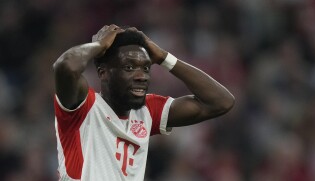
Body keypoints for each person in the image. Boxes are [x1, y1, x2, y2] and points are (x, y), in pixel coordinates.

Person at [53, 24, 235, 181]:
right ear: (103, 73)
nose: (141, 76)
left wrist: (164, 58)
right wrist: (100, 45)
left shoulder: (148, 111)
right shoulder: (82, 106)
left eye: (146, 68)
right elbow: (65, 67)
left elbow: (221, 102)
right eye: (129, 67)